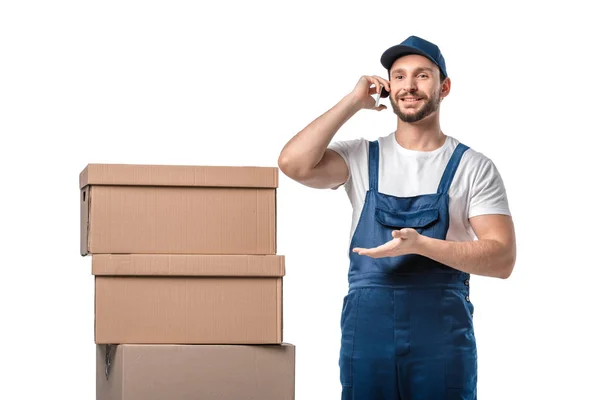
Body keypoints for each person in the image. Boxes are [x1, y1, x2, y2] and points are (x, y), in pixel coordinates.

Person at [277, 35, 516, 400]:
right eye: (399, 76)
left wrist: (421, 245)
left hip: (441, 333)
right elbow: (293, 163)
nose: (409, 86)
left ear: (444, 87)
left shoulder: (473, 167)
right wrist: (353, 102)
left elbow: (502, 259)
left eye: (422, 76)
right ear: (389, 87)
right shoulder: (360, 157)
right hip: (368, 328)